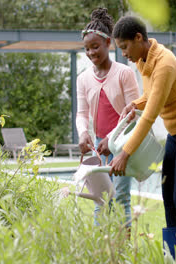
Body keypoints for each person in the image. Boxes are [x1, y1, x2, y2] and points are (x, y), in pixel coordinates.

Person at [109, 16, 176, 256]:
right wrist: (134, 103)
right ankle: (172, 257)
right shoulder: (143, 59)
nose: (124, 53)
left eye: (125, 46)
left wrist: (125, 154)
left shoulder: (165, 62)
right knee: (169, 195)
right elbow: (152, 94)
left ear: (139, 38)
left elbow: (149, 116)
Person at [75, 8, 140, 228]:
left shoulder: (124, 73)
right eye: (87, 49)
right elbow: (82, 113)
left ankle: (124, 252)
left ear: (108, 44)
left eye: (95, 47)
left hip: (123, 144)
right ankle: (101, 250)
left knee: (121, 198)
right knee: (101, 200)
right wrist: (83, 133)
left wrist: (111, 139)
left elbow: (134, 113)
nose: (91, 53)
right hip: (99, 146)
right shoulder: (83, 79)